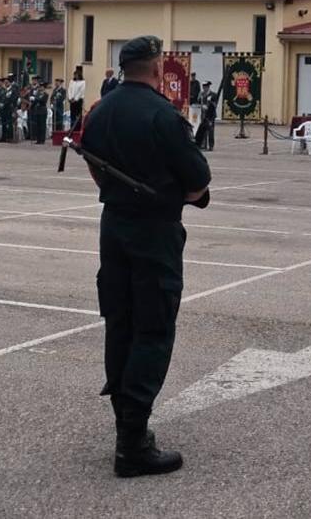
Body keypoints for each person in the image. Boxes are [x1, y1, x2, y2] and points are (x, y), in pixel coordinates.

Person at [80, 36, 211, 478]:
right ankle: (132, 444)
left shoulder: (101, 111)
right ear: (157, 69)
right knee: (153, 328)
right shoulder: (163, 115)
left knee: (121, 323)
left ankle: (126, 425)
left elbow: (94, 165)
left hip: (114, 226)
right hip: (154, 231)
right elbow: (198, 182)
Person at [194, 82, 218, 151]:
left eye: (205, 87)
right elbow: (198, 102)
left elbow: (215, 105)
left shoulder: (213, 94)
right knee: (203, 130)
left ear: (208, 87)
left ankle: (211, 146)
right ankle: (203, 145)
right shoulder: (201, 94)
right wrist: (200, 105)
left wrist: (209, 104)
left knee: (211, 130)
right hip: (203, 114)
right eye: (203, 87)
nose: (204, 88)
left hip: (210, 115)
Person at [70, 66, 88, 131]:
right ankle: (72, 127)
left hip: (79, 100)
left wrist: (76, 99)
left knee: (78, 115)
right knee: (72, 114)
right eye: (75, 75)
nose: (75, 76)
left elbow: (81, 91)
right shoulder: (72, 81)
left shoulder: (83, 82)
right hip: (72, 100)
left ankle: (78, 128)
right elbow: (70, 90)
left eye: (77, 75)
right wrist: (70, 97)